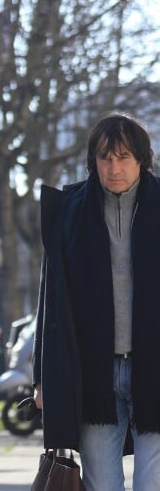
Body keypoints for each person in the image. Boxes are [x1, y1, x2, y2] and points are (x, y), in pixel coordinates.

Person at [33, 113, 160, 490]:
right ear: (93, 161)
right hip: (91, 373)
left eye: (123, 157)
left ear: (142, 159)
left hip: (154, 367)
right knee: (101, 485)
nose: (114, 167)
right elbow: (50, 299)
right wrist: (43, 377)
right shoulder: (70, 211)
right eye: (105, 158)